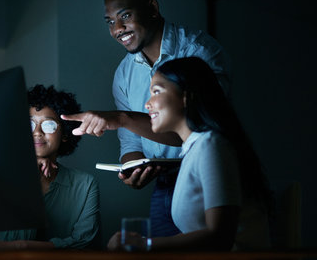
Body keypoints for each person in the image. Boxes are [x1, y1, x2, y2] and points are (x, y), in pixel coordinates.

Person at [62, 57, 272, 251]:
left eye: (156, 92)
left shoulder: (211, 146)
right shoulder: (193, 148)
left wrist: (144, 244)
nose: (147, 104)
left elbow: (220, 237)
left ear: (185, 96)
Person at [100, 0, 230, 237]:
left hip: (207, 174)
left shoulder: (199, 52)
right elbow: (132, 143)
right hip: (165, 186)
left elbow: (202, 125)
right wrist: (134, 168)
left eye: (125, 16)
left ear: (153, 8)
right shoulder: (123, 74)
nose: (117, 29)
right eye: (110, 21)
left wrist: (123, 117)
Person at [0, 85, 100, 250]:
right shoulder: (6, 181)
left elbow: (85, 244)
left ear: (64, 133)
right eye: (30, 124)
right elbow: (7, 245)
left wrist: (26, 246)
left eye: (48, 125)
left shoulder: (85, 185)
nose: (37, 132)